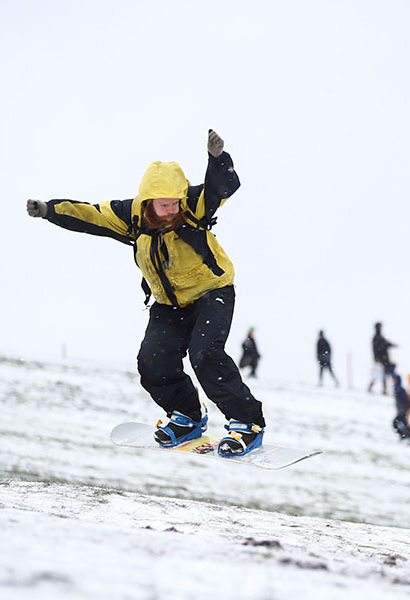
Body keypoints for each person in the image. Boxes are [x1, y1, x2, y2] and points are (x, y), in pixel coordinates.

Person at [26, 130, 266, 456]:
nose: (170, 210)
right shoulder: (133, 216)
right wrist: (48, 210)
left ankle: (247, 423)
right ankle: (187, 416)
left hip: (212, 293)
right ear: (148, 201)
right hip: (169, 304)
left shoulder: (193, 207)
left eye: (174, 203)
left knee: (205, 354)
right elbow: (91, 214)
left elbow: (221, 186)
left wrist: (217, 159)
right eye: (163, 204)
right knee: (152, 362)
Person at [367, 322, 396, 395]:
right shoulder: (377, 337)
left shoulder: (380, 337)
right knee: (378, 374)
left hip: (384, 359)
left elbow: (386, 344)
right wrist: (376, 358)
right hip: (381, 359)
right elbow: (376, 348)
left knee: (382, 374)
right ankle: (376, 388)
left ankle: (383, 389)